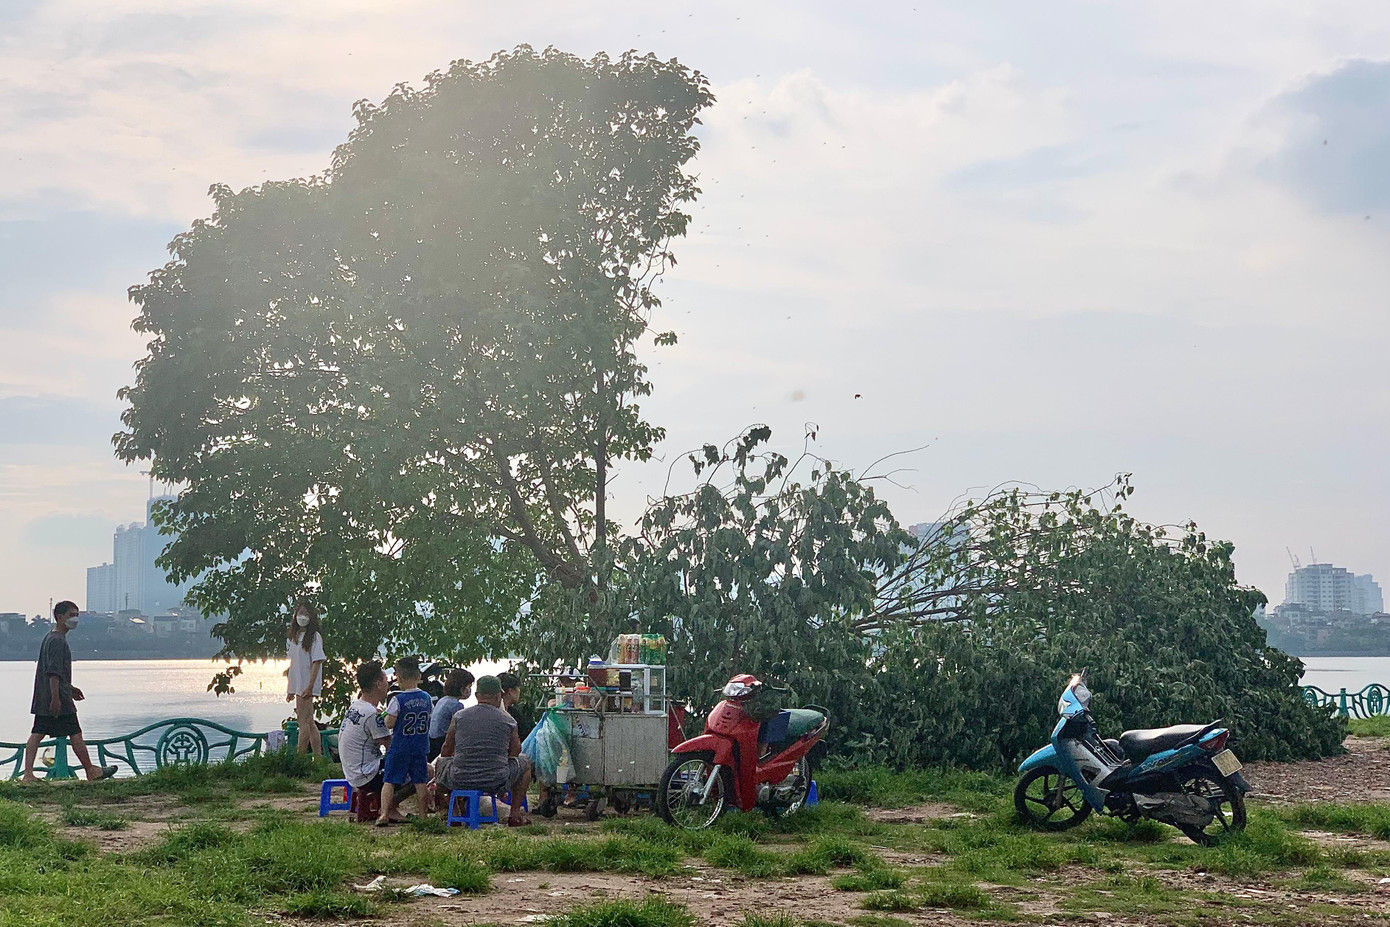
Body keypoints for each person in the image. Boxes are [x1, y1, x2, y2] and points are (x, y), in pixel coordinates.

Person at [23, 601, 117, 782]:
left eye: (77, 615)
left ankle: (28, 774)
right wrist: (56, 699)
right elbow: (53, 672)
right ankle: (91, 770)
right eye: (71, 615)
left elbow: (55, 673)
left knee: (38, 733)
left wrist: (70, 688)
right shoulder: (57, 640)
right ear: (59, 617)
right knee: (74, 732)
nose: (75, 619)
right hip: (56, 698)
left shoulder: (52, 637)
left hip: (48, 696)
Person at [434, 675, 531, 826]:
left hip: (460, 778)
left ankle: (453, 811)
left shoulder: (459, 716)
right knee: (525, 762)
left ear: (477, 695)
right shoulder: (508, 720)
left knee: (441, 763)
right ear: (499, 695)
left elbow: (446, 750)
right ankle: (515, 813)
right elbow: (515, 752)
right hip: (496, 779)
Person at [377, 657, 433, 826]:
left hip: (400, 746)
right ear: (418, 677)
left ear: (399, 678)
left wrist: (384, 714)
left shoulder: (397, 700)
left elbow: (390, 723)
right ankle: (423, 815)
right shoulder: (426, 698)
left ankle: (384, 814)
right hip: (420, 746)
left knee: (390, 781)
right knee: (420, 782)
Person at [338, 661, 392, 815]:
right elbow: (390, 745)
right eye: (386, 680)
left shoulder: (357, 706)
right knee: (419, 768)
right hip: (368, 774)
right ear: (378, 684)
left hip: (352, 772)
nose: (388, 685)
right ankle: (390, 807)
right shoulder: (372, 714)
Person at [285, 600, 326, 758]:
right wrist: (290, 688)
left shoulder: (315, 637)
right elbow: (293, 665)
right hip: (298, 684)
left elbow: (317, 662)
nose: (302, 617)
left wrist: (310, 686)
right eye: (300, 613)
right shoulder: (294, 637)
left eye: (306, 614)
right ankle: (318, 757)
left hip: (307, 684)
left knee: (303, 722)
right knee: (309, 722)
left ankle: (299, 759)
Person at [428, 668, 474, 760]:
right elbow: (461, 728)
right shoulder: (456, 705)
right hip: (441, 742)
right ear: (461, 688)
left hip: (431, 742)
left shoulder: (443, 700)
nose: (470, 690)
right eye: (469, 687)